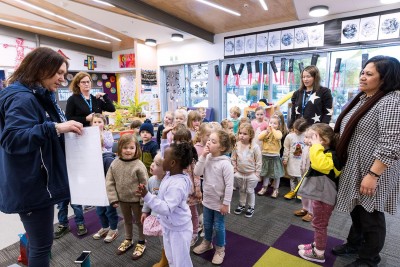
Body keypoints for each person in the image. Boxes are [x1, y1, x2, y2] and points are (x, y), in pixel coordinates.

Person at [0, 47, 83, 267]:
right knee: (41, 245)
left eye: (65, 75)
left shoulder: (32, 95)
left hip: (34, 182)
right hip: (31, 185)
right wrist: (54, 128)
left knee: (40, 243)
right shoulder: (22, 98)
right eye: (59, 73)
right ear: (41, 68)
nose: (62, 80)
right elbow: (13, 139)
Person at [332, 55, 400, 267]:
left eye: (369, 74)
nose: (362, 77)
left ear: (385, 78)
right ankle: (355, 243)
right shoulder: (365, 97)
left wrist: (373, 175)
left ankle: (369, 258)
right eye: (362, 72)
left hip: (373, 169)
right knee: (357, 209)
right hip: (355, 165)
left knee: (370, 215)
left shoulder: (391, 100)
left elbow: (392, 143)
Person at [137, 143, 195, 267]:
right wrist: (163, 135)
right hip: (170, 226)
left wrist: (147, 195)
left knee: (181, 262)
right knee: (171, 258)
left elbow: (166, 208)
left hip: (179, 230)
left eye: (164, 157)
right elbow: (165, 150)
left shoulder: (177, 185)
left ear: (172, 163)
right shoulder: (171, 173)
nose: (160, 158)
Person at [297, 123, 341, 263]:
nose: (309, 140)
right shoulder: (323, 152)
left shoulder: (331, 156)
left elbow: (319, 165)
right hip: (320, 196)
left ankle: (319, 253)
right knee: (317, 223)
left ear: (324, 141)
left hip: (325, 198)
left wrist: (315, 146)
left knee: (320, 225)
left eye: (313, 137)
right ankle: (317, 245)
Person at [193, 130, 234, 265]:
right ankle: (207, 243)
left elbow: (229, 185)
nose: (209, 142)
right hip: (208, 200)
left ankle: (220, 249)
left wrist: (226, 203)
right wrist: (203, 157)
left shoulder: (225, 163)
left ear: (221, 148)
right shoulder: (207, 157)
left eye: (213, 141)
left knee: (219, 226)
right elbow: (197, 172)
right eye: (209, 140)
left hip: (220, 202)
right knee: (207, 224)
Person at [106, 134, 149, 259]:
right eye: (125, 148)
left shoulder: (139, 165)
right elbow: (109, 182)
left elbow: (145, 183)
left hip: (137, 201)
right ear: (120, 148)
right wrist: (113, 198)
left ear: (136, 149)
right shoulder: (115, 164)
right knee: (127, 221)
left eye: (131, 147)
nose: (128, 150)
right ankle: (128, 239)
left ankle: (141, 241)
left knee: (140, 222)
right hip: (122, 200)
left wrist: (144, 200)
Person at [140, 153, 167, 267]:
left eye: (156, 164)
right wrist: (145, 211)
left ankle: (174, 259)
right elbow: (148, 197)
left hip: (168, 218)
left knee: (170, 240)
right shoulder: (151, 180)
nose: (152, 165)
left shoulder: (169, 182)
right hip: (157, 217)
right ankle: (165, 259)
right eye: (153, 162)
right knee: (162, 241)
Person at [231, 123, 262, 218]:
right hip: (239, 173)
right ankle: (242, 204)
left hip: (251, 174)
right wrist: (235, 170)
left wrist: (257, 174)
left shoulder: (255, 147)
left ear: (250, 135)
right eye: (240, 133)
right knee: (242, 190)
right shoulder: (236, 145)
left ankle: (251, 206)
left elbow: (259, 161)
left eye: (245, 134)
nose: (242, 135)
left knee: (250, 190)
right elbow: (233, 158)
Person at [93, 135, 119, 243]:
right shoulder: (92, 158)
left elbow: (112, 179)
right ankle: (105, 227)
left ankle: (113, 229)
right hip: (98, 190)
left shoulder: (107, 159)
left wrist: (114, 195)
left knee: (110, 211)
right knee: (100, 211)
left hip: (107, 191)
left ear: (102, 145)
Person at [257, 115, 285, 198]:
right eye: (271, 123)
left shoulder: (278, 132)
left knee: (276, 174)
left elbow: (278, 137)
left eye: (275, 123)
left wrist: (272, 129)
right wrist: (267, 132)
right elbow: (259, 138)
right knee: (266, 173)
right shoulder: (265, 132)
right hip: (265, 155)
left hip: (275, 156)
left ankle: (276, 189)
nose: (272, 124)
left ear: (278, 125)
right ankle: (264, 187)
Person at [283, 118, 308, 200]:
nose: (297, 133)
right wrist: (285, 158)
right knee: (292, 177)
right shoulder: (289, 137)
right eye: (296, 130)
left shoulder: (306, 136)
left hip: (302, 161)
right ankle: (292, 191)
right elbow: (286, 148)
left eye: (299, 132)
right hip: (292, 161)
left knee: (301, 177)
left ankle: (300, 192)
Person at [293, 128, 314, 222]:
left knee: (311, 195)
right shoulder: (305, 147)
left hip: (312, 176)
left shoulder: (316, 150)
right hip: (304, 173)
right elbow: (302, 161)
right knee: (304, 193)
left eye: (308, 137)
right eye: (305, 137)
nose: (305, 139)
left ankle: (311, 212)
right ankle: (305, 208)